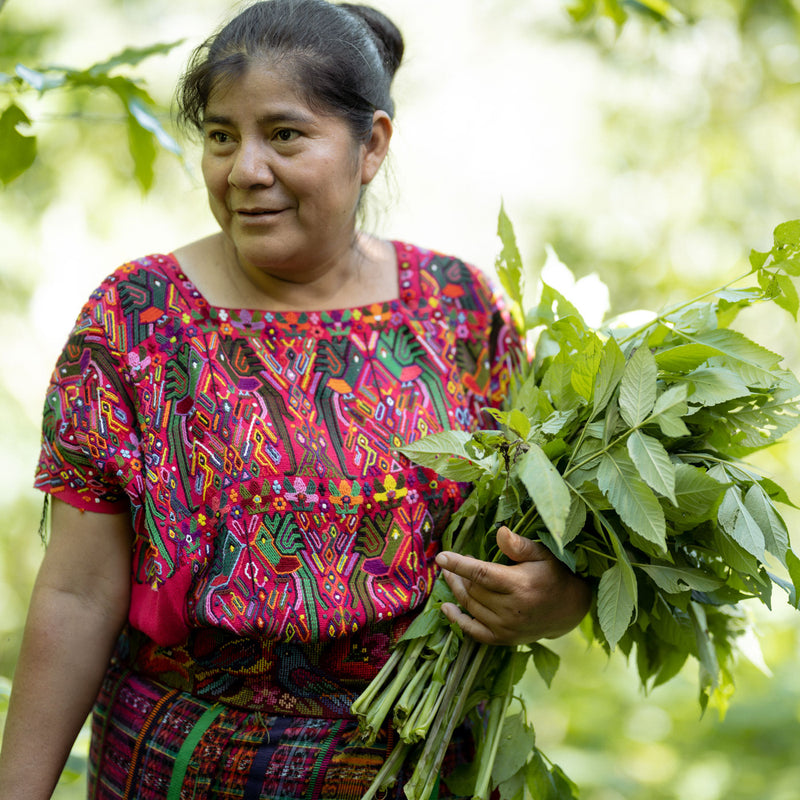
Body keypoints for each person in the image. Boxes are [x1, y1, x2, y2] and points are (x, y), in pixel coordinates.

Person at [0, 1, 591, 798]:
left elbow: (532, 538)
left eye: (283, 134)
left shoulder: (458, 309)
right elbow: (77, 592)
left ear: (371, 144)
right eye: (220, 136)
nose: (244, 169)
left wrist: (557, 598)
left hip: (417, 768)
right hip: (182, 772)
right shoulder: (137, 318)